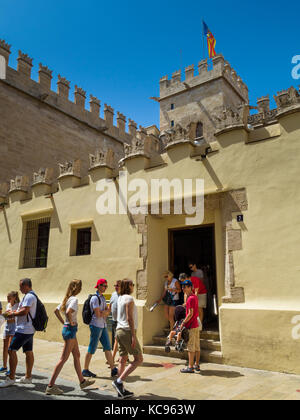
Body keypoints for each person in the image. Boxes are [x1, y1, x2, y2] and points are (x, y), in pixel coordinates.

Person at [45, 279, 95, 395]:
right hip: (70, 330)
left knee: (76, 355)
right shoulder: (74, 299)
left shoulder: (66, 298)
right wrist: (71, 322)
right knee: (63, 358)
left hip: (68, 329)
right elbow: (68, 311)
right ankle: (50, 386)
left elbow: (56, 311)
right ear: (78, 288)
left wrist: (65, 322)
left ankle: (82, 381)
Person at [0, 278, 37, 388]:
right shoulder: (31, 295)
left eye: (21, 286)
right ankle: (28, 377)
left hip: (24, 329)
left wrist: (12, 314)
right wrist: (13, 313)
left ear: (26, 286)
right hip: (29, 329)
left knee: (11, 350)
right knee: (28, 351)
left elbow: (24, 311)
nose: (19, 288)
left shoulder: (29, 296)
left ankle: (11, 378)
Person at [112, 278, 143, 399]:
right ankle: (118, 382)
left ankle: (121, 390)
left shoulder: (120, 298)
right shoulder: (129, 299)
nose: (133, 286)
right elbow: (130, 318)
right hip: (127, 331)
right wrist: (133, 336)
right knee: (138, 359)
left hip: (119, 331)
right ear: (128, 286)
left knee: (123, 359)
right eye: (132, 285)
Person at [82, 279, 118, 378]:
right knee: (92, 348)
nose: (105, 287)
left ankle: (113, 369)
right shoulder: (94, 299)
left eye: (106, 286)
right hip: (95, 326)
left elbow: (108, 311)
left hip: (103, 325)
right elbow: (98, 314)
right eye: (103, 285)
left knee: (107, 347)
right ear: (98, 286)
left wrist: (104, 312)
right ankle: (85, 369)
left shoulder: (102, 298)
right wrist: (104, 312)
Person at [180, 279, 201, 374]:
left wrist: (183, 323)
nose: (183, 288)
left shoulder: (191, 298)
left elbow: (190, 313)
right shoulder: (194, 297)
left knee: (190, 347)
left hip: (191, 326)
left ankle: (190, 367)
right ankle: (197, 365)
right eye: (182, 287)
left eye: (185, 287)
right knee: (197, 346)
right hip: (196, 325)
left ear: (190, 287)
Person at [0, 292, 19, 375]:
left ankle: (12, 369)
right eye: (7, 297)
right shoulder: (8, 305)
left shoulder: (18, 305)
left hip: (14, 327)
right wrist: (7, 316)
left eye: (9, 297)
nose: (7, 299)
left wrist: (8, 316)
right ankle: (4, 366)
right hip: (7, 327)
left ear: (14, 297)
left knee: (10, 349)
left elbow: (15, 318)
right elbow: (7, 316)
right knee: (4, 347)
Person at [109, 280, 121, 365]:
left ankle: (111, 359)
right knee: (116, 340)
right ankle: (124, 356)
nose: (116, 287)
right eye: (115, 285)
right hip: (114, 320)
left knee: (117, 340)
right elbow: (110, 306)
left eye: (118, 285)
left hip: (121, 322)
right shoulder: (113, 295)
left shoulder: (124, 296)